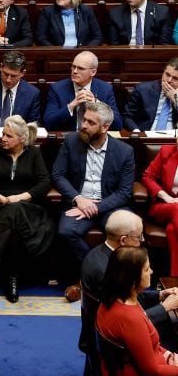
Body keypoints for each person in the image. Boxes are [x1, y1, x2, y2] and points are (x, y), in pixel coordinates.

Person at [0, 116, 53, 303]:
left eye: (8, 136)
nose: (3, 138)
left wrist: (20, 197)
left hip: (27, 207)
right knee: (13, 227)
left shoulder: (34, 153)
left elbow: (44, 182)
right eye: (3, 134)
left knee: (17, 211)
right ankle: (13, 278)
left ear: (21, 139)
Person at [82, 211, 178, 352]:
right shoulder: (108, 272)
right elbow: (126, 320)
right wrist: (165, 307)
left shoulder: (99, 253)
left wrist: (160, 295)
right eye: (139, 237)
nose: (142, 241)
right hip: (116, 342)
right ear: (123, 240)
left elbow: (128, 294)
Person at [51, 101, 134, 263]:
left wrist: (95, 207)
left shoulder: (124, 151)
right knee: (66, 231)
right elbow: (57, 175)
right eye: (84, 119)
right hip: (78, 204)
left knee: (128, 231)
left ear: (104, 127)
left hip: (109, 205)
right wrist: (78, 199)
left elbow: (124, 192)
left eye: (90, 122)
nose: (83, 125)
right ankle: (96, 268)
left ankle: (112, 273)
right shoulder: (71, 141)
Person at [96, 246, 178, 376]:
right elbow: (153, 373)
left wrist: (168, 355)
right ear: (132, 279)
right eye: (147, 269)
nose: (151, 271)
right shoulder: (130, 319)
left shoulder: (111, 301)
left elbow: (148, 345)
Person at [43, 51, 122, 131]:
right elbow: (48, 123)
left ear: (93, 72)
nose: (75, 71)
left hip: (94, 136)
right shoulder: (57, 88)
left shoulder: (105, 89)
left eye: (81, 68)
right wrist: (71, 106)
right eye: (73, 67)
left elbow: (117, 125)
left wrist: (97, 104)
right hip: (68, 136)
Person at [0, 51, 41, 129]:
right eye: (5, 74)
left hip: (18, 136)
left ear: (22, 73)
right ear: (1, 67)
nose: (8, 80)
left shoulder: (32, 93)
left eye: (13, 76)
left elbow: (32, 126)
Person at [142, 134, 178, 277]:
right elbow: (147, 177)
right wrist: (165, 196)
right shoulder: (166, 151)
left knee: (171, 230)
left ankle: (174, 278)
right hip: (164, 206)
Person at [35, 0, 103, 47]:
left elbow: (98, 37)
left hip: (83, 52)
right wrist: (55, 50)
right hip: (56, 52)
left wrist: (86, 51)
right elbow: (40, 38)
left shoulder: (86, 10)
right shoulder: (48, 12)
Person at [106, 0, 172, 45]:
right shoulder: (115, 14)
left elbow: (164, 46)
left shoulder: (162, 12)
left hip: (152, 52)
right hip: (124, 51)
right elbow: (114, 46)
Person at [123, 58, 178, 131]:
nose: (169, 80)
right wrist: (137, 132)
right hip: (146, 134)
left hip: (174, 136)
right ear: (163, 72)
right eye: (167, 74)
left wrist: (176, 99)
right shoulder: (143, 90)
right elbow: (127, 116)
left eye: (175, 78)